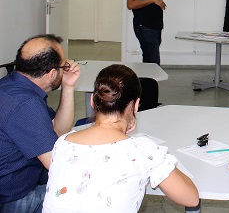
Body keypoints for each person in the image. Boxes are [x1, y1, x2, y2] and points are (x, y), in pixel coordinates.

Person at [42, 64, 199, 212]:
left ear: (92, 102)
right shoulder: (142, 151)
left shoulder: (63, 143)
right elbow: (191, 199)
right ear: (136, 105)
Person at [0, 34, 80, 212]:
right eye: (63, 66)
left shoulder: (12, 86)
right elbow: (56, 165)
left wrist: (68, 86)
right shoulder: (25, 105)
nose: (66, 68)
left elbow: (58, 130)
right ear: (52, 74)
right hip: (14, 198)